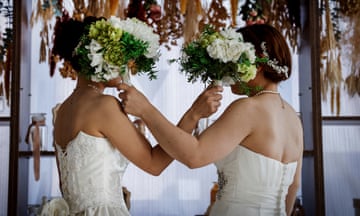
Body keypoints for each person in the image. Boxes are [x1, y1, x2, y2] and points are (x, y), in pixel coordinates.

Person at [118, 24, 303, 216]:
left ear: (257, 65)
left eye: (233, 61)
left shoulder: (249, 108)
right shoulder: (292, 117)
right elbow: (293, 186)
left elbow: (194, 155)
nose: (226, 71)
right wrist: (194, 114)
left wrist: (146, 110)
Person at [51, 15, 223, 215]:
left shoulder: (61, 111)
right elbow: (155, 164)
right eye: (117, 55)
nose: (125, 63)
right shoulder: (104, 106)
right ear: (94, 57)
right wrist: (193, 114)